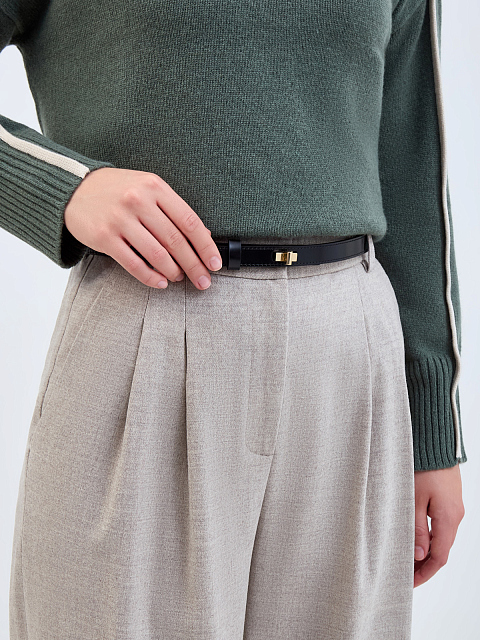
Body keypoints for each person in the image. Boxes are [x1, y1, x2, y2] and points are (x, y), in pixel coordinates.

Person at [1, 0, 467, 637]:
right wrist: (63, 188)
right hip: (147, 323)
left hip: (350, 355)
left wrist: (434, 432)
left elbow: (412, 156)